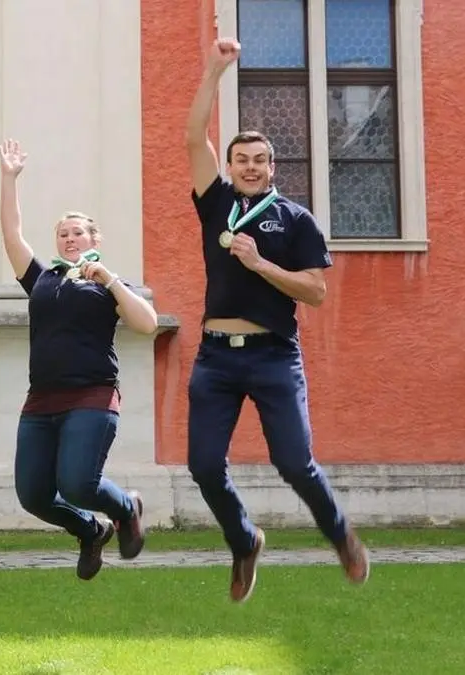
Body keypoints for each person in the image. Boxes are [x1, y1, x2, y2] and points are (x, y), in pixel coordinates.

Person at [184, 37, 370, 603]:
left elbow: (315, 292)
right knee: (203, 466)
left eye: (258, 160)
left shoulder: (296, 220)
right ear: (230, 166)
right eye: (240, 159)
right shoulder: (216, 203)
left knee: (294, 462)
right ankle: (244, 541)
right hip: (215, 357)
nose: (249, 167)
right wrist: (213, 72)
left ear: (272, 167)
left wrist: (260, 264)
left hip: (273, 356)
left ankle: (340, 534)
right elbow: (193, 137)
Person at [0, 138, 158, 581]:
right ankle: (91, 531)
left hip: (92, 395)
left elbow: (147, 323)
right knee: (33, 495)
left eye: (78, 233)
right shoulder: (42, 278)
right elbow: (11, 234)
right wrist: (9, 179)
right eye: (63, 234)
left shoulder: (107, 284)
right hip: (40, 401)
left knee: (77, 484)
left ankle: (126, 508)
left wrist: (110, 280)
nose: (70, 239)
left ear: (94, 239)